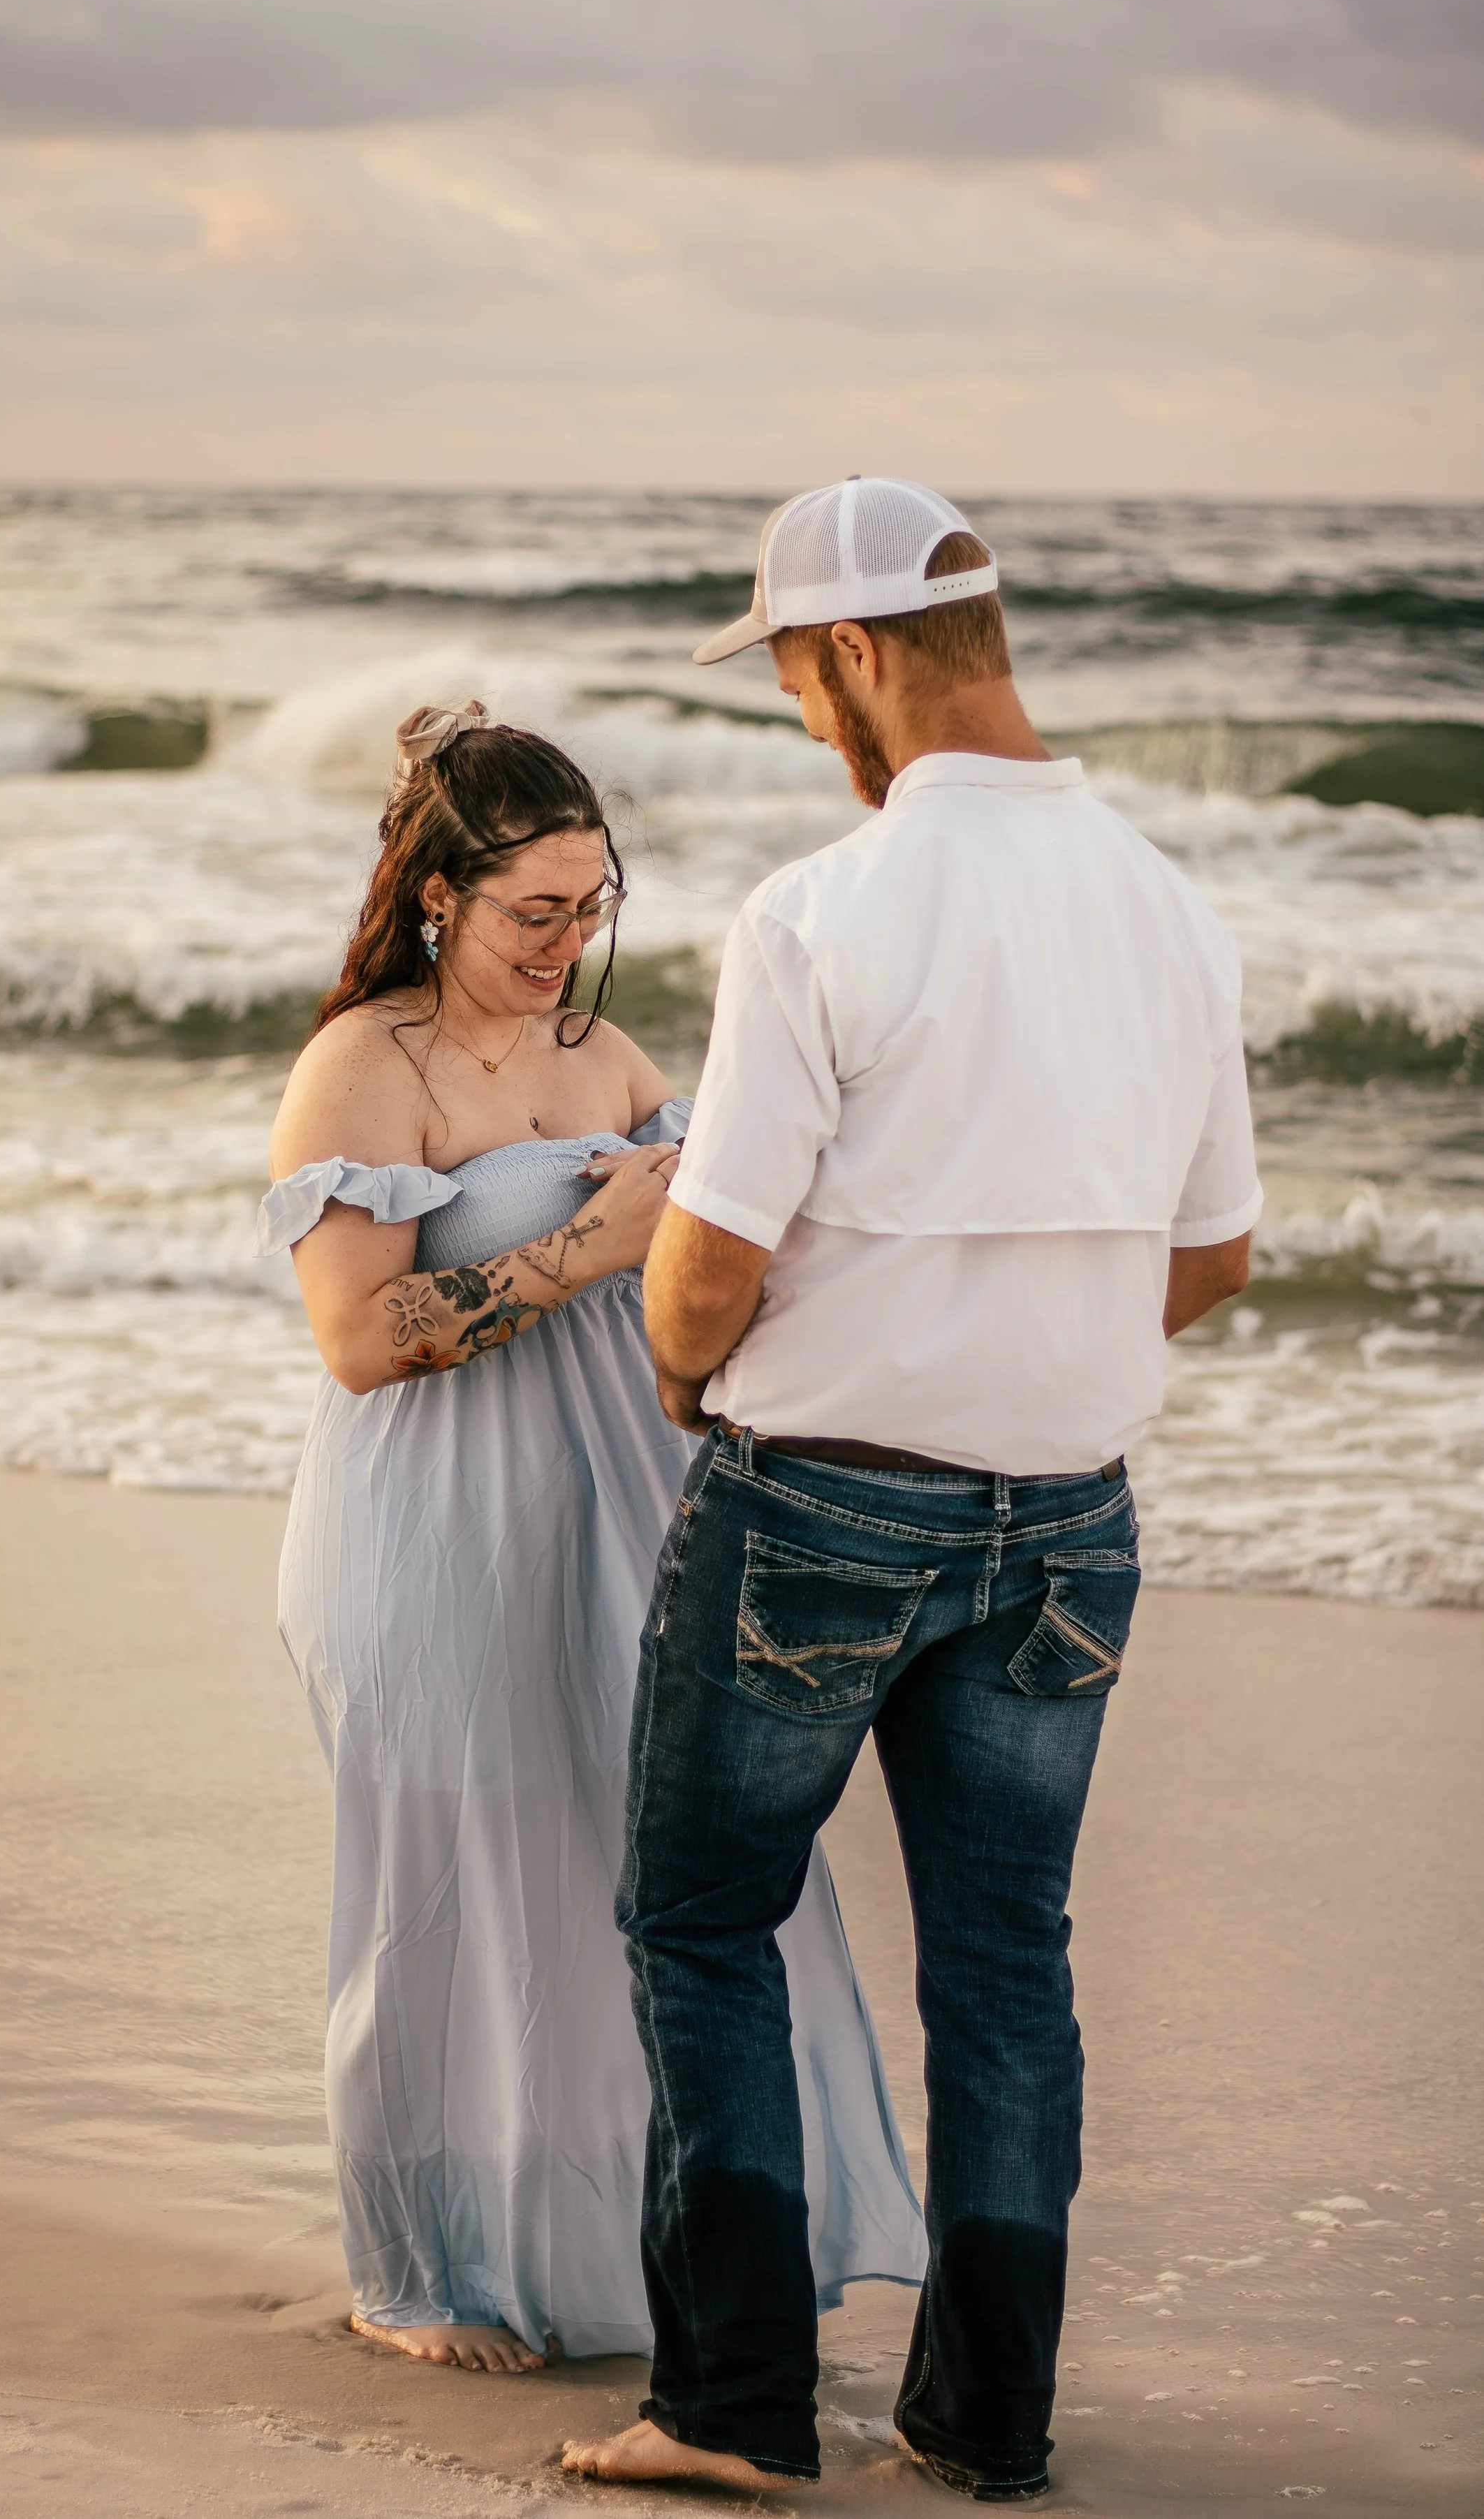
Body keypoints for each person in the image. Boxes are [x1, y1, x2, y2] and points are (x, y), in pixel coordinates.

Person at [563, 480, 1261, 2499]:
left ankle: (733, 2406)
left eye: (793, 672)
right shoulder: (1167, 900)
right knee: (1005, 1962)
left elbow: (708, 1253)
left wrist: (689, 1371)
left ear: (857, 654)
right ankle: (988, 2417)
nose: (798, 715)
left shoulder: (821, 910)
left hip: (823, 1503)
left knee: (698, 1920)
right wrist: (1038, 1358)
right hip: (1066, 1512)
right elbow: (1208, 1253)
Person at [260, 700, 926, 2374]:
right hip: (424, 1528)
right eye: (531, 914)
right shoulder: (364, 1066)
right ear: (437, 899)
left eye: (589, 907)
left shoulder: (605, 1060)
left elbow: (712, 1261)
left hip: (613, 1516)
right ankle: (416, 2270)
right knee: (438, 1879)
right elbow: (356, 1333)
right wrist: (590, 1243)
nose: (566, 946)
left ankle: (620, 2254)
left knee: (615, 1879)